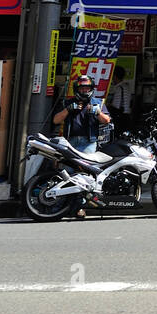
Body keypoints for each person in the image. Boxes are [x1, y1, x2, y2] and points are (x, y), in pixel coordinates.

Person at [52, 75, 111, 219]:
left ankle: (80, 207)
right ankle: (61, 205)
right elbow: (55, 120)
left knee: (84, 176)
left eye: (87, 88)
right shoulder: (68, 102)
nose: (84, 91)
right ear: (76, 89)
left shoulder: (98, 102)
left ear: (91, 89)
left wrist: (97, 112)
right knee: (67, 174)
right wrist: (68, 109)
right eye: (82, 88)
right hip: (70, 141)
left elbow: (107, 120)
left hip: (88, 143)